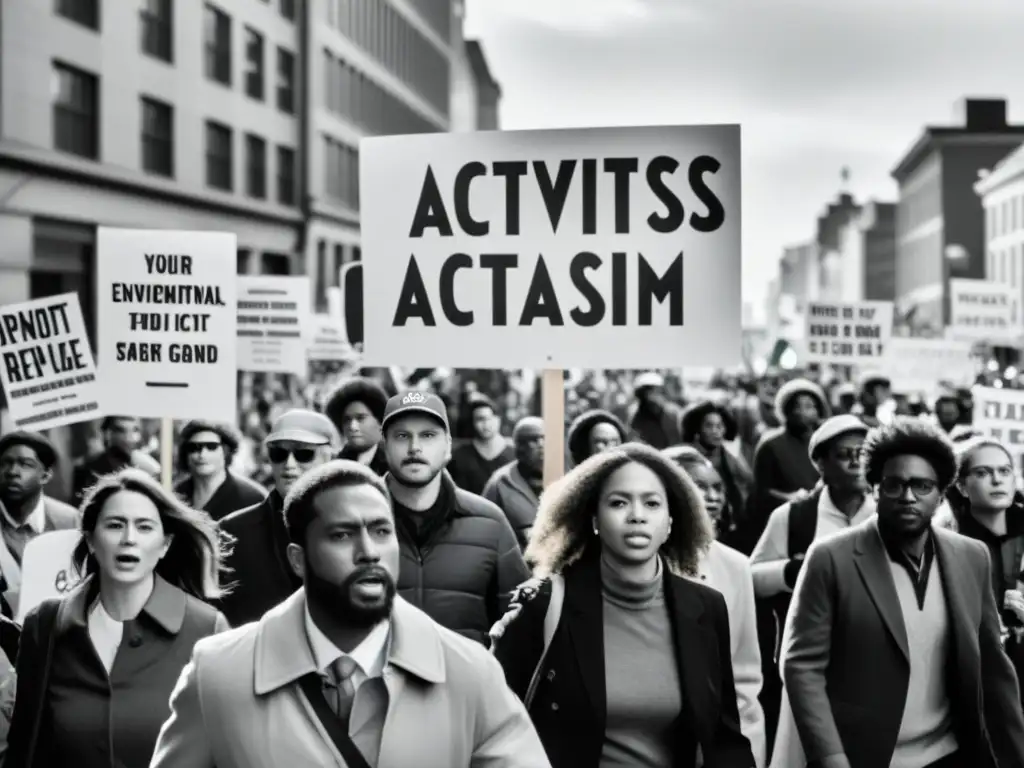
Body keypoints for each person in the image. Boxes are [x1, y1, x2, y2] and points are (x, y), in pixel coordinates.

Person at [150, 460, 551, 768]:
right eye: (342, 535)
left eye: (381, 531)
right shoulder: (219, 673)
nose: (369, 551)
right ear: (298, 559)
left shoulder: (468, 671)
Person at [491, 442, 754, 768]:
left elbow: (724, 737)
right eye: (618, 503)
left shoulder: (706, 606)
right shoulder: (544, 604)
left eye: (652, 503)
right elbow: (494, 724)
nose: (637, 516)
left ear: (671, 522)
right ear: (594, 520)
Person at [782, 418, 1024, 768]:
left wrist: (1014, 753)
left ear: (941, 493)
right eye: (894, 484)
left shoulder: (971, 556)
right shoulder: (831, 557)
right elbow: (801, 666)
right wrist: (831, 758)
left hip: (951, 752)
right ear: (875, 489)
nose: (908, 497)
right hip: (862, 754)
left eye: (922, 486)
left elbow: (992, 664)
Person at [6, 468, 229, 768]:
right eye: (115, 525)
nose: (129, 538)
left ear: (165, 544)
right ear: (91, 540)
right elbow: (23, 747)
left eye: (145, 527)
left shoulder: (207, 629)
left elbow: (227, 749)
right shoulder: (45, 626)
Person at [380, 390, 530, 645]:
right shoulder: (357, 521)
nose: (414, 447)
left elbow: (521, 624)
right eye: (402, 436)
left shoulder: (489, 523)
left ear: (448, 446)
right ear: (384, 446)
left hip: (465, 683)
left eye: (428, 435)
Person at [668, 445, 766, 768]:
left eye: (717, 488)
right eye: (700, 487)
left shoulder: (735, 565)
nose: (712, 497)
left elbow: (745, 670)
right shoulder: (644, 562)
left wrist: (750, 744)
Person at [217, 409, 336, 626]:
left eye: (303, 453)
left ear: (330, 458)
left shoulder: (357, 527)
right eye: (279, 454)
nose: (289, 464)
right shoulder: (232, 531)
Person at [0, 431, 78, 618]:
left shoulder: (70, 521)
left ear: (45, 476)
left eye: (25, 464)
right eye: (5, 463)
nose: (12, 472)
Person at [679, 399, 754, 530]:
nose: (716, 431)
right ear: (697, 430)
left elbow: (749, 480)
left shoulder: (729, 454)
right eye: (709, 426)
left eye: (720, 426)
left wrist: (736, 454)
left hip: (733, 523)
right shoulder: (689, 456)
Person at [173, 420, 266, 521]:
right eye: (194, 448)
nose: (202, 454)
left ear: (226, 451)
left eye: (211, 447)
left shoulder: (253, 498)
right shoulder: (175, 495)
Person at [482, 416, 546, 549]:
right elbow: (483, 527)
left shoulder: (563, 476)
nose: (541, 445)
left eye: (545, 439)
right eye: (534, 440)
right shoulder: (501, 482)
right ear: (519, 447)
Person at [448, 395, 515, 495]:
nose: (486, 424)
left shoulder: (514, 454)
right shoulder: (460, 456)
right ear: (473, 423)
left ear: (498, 420)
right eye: (480, 419)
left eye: (489, 418)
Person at [324, 376, 390, 476]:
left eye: (361, 418)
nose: (352, 426)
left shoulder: (395, 463)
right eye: (347, 420)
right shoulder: (337, 465)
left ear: (380, 421)